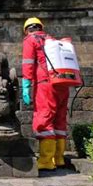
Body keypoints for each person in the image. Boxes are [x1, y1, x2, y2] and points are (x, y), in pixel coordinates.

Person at [21, 17, 70, 170]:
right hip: (63, 83)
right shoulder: (52, 40)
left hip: (45, 84)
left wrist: (26, 84)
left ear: (28, 29)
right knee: (59, 119)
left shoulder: (31, 40)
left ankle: (46, 161)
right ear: (41, 27)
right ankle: (59, 158)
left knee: (44, 119)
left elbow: (28, 63)